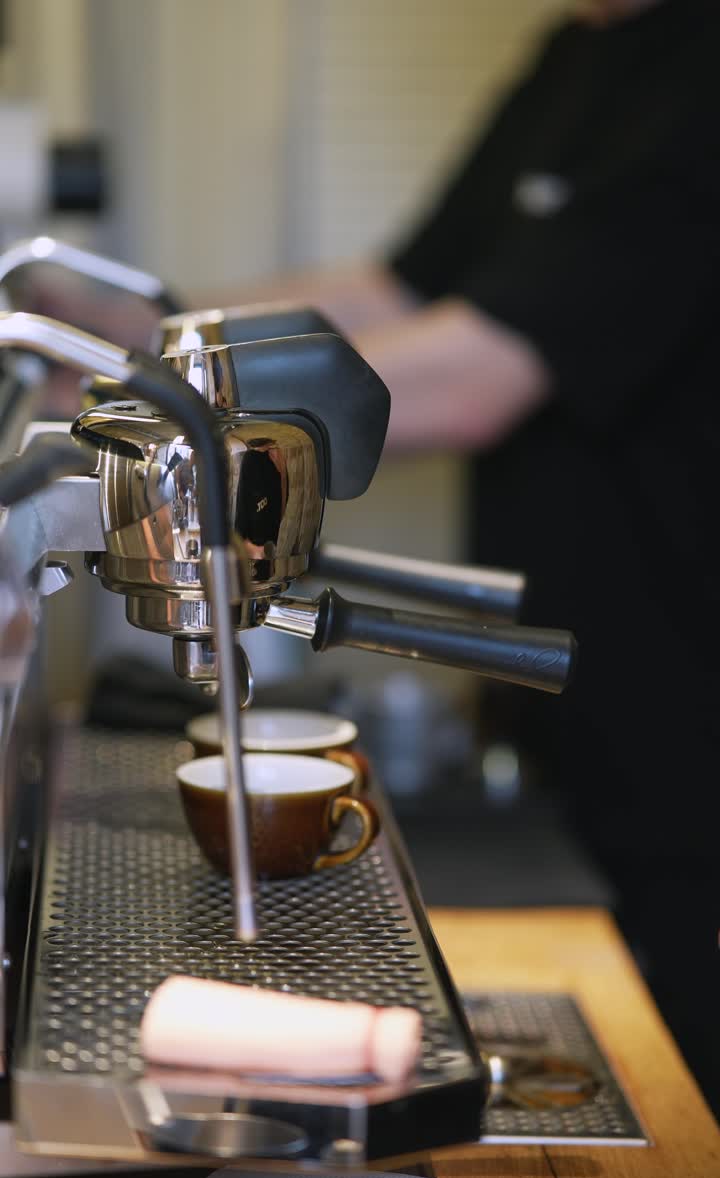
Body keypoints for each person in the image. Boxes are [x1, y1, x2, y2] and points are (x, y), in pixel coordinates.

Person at [21, 0, 720, 1110]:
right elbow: (390, 298)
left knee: (681, 1063)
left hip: (675, 705)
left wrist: (141, 409)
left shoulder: (699, 78)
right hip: (556, 714)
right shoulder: (580, 52)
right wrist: (131, 340)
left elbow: (479, 371)